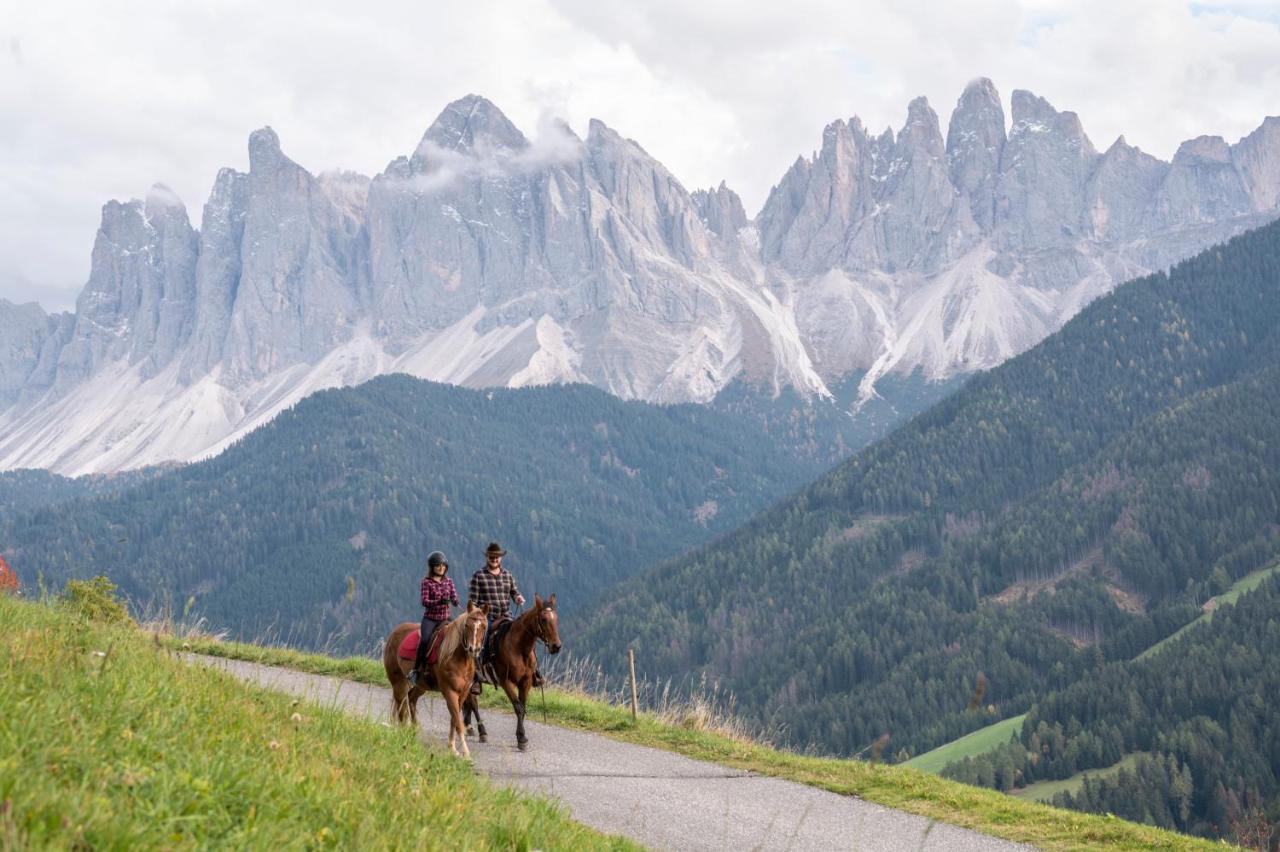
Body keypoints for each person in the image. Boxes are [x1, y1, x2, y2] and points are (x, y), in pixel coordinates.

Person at [467, 541, 542, 692]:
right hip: (487, 617)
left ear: (501, 558)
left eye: (496, 557)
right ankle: (476, 675)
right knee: (482, 640)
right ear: (487, 557)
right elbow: (473, 601)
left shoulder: (507, 575)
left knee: (526, 636)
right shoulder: (479, 576)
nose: (494, 559)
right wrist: (477, 614)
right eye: (491, 556)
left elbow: (514, 591)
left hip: (506, 615)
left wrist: (518, 597)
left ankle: (534, 672)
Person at [408, 550, 459, 688]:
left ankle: (472, 671)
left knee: (461, 634)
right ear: (432, 567)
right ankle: (416, 670)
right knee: (424, 640)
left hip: (445, 618)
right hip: (430, 619)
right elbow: (425, 601)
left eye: (443, 565)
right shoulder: (426, 582)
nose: (441, 567)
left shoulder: (449, 581)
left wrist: (454, 601)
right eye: (438, 565)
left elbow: (454, 595)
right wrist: (438, 601)